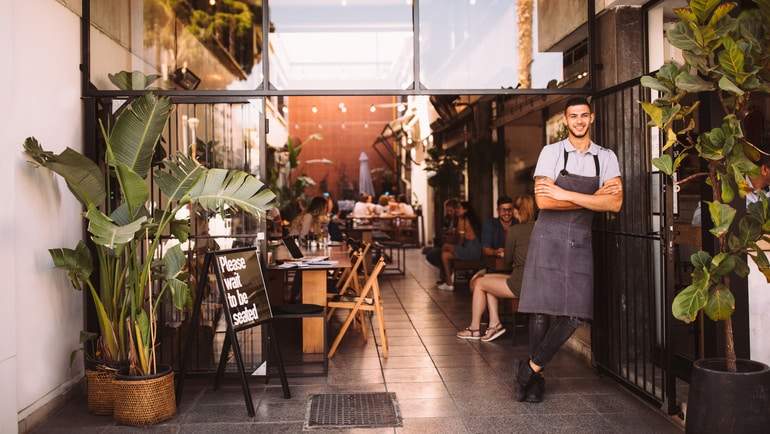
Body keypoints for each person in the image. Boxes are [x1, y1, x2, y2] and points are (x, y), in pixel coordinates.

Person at [513, 97, 623, 403]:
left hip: (580, 241)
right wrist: (591, 199)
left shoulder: (606, 157)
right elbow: (544, 202)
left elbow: (615, 203)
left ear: (592, 118)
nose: (579, 121)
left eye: (583, 116)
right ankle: (537, 382)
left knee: (574, 314)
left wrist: (564, 192)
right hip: (548, 237)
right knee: (540, 311)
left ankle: (530, 368)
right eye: (573, 116)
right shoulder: (551, 152)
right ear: (565, 120)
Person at [457, 195, 536, 342]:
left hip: (520, 283)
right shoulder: (539, 228)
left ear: (517, 211)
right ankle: (494, 324)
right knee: (487, 280)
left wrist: (508, 254)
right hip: (534, 281)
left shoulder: (516, 230)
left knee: (480, 282)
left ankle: (475, 329)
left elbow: (507, 260)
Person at [438, 201, 482, 291]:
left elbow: (461, 240)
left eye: (459, 208)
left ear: (465, 210)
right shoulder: (471, 219)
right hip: (476, 250)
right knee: (444, 255)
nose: (457, 210)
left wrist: (455, 249)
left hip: (470, 250)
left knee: (445, 247)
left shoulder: (463, 220)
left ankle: (447, 278)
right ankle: (449, 281)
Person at [424, 198, 459, 283]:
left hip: (454, 245)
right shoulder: (447, 219)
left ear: (455, 209)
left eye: (450, 210)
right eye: (447, 210)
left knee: (439, 253)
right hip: (447, 243)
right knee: (430, 252)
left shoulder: (459, 220)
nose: (448, 213)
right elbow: (443, 232)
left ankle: (446, 278)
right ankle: (445, 275)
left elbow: (457, 236)